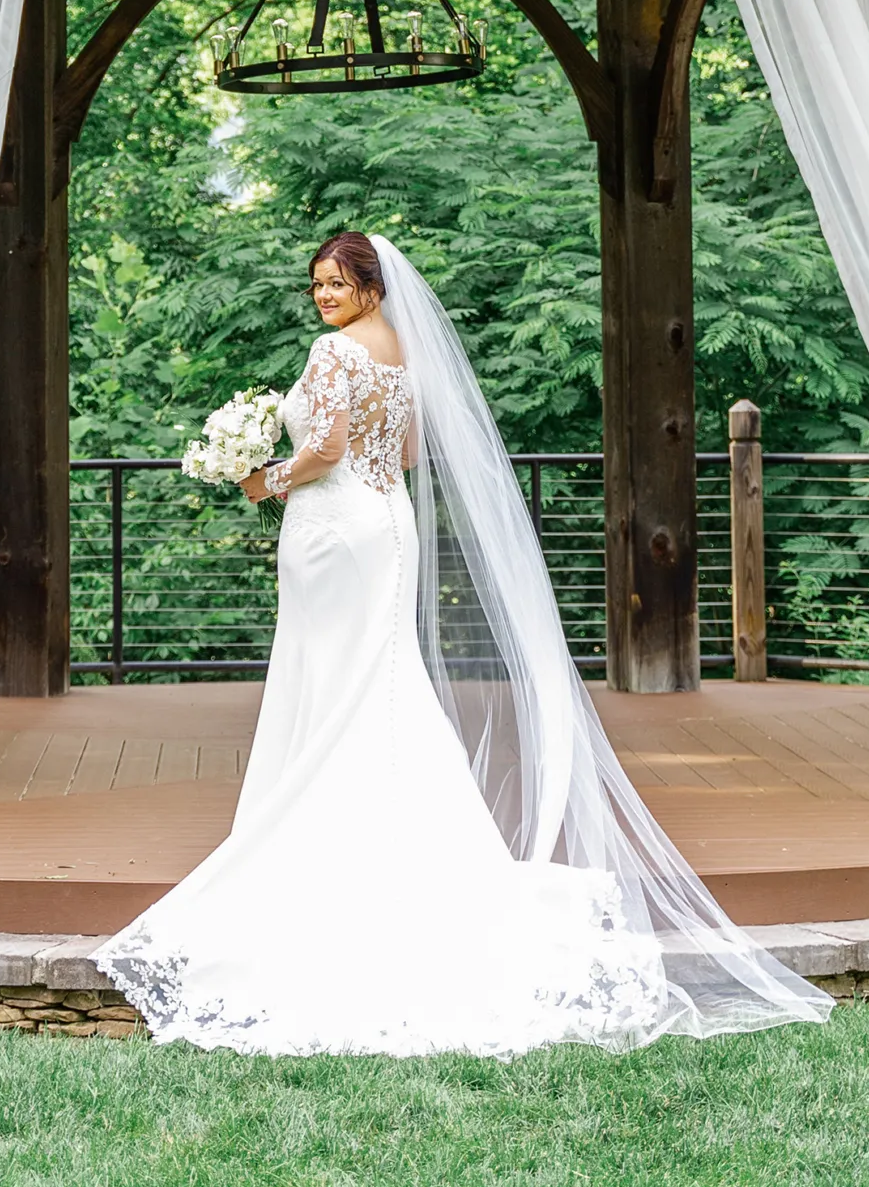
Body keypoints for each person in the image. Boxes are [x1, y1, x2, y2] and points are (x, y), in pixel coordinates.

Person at [98, 230, 830, 1055]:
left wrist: (257, 478)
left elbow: (329, 449)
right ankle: (415, 854)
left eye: (337, 283)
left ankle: (325, 852)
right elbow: (405, 454)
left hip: (333, 529)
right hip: (385, 526)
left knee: (333, 684)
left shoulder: (332, 352)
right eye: (315, 286)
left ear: (370, 287)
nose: (323, 296)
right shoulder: (407, 358)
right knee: (376, 681)